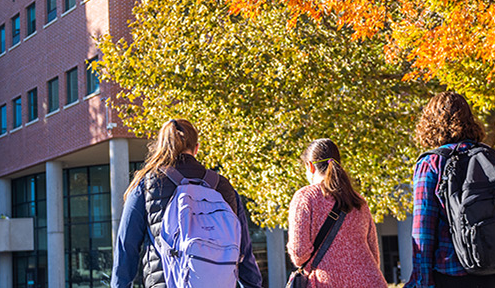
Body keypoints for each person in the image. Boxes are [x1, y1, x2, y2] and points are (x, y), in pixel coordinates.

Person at [405, 92, 495, 288]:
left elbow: (423, 232)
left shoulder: (432, 163)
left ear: (429, 124)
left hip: (456, 275)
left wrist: (422, 283)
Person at [112, 119, 263, 288]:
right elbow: (244, 253)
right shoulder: (223, 186)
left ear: (162, 146)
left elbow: (126, 248)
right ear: (196, 148)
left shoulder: (148, 184)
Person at [288, 138, 388, 288]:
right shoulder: (358, 201)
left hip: (327, 282)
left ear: (310, 167)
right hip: (370, 281)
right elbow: (373, 254)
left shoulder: (305, 197)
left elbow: (299, 254)